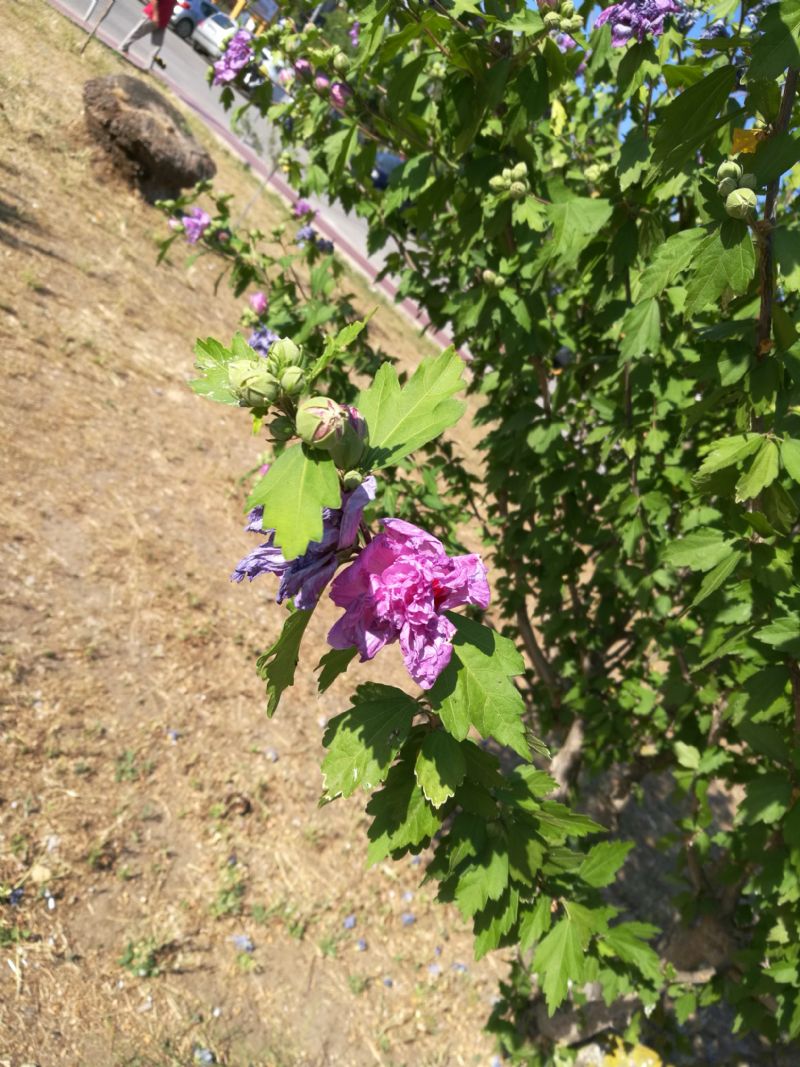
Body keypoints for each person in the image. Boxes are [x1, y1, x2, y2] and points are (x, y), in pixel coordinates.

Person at [119, 0, 179, 70]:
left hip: (162, 21)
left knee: (157, 46)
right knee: (137, 33)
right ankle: (123, 47)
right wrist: (155, 15)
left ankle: (148, 67)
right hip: (152, 16)